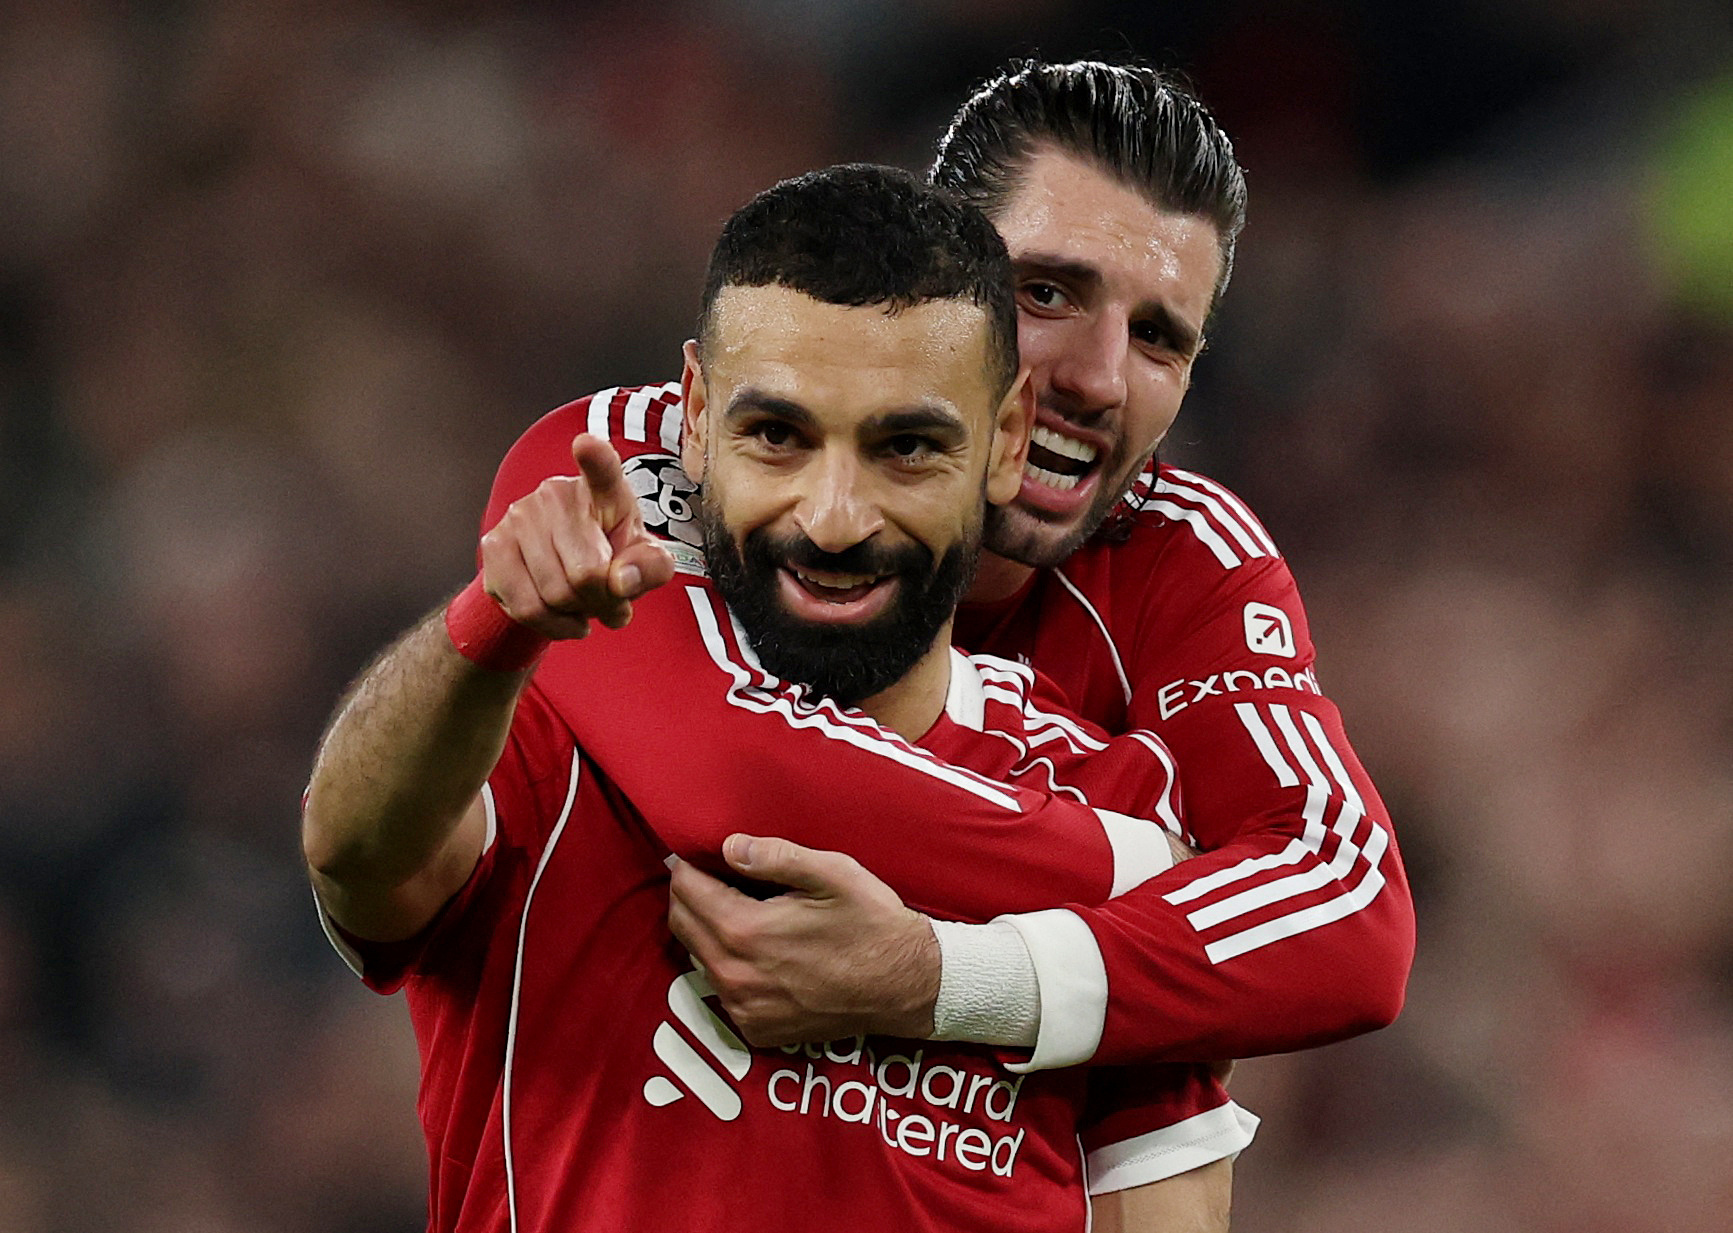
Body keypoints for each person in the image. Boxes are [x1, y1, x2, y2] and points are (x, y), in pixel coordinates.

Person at [304, 165, 1250, 1232]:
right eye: (778, 437)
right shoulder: (561, 728)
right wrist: (486, 630)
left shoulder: (1108, 788)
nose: (835, 517)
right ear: (696, 417)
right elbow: (357, 859)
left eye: (905, 448)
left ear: (1008, 440)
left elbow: (1166, 1212)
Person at [500, 59, 1415, 1071]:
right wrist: (1152, 862)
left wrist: (948, 980)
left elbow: (1356, 923)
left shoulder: (1180, 557)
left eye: (1156, 337)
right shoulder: (640, 458)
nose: (1100, 379)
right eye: (1047, 292)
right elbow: (740, 784)